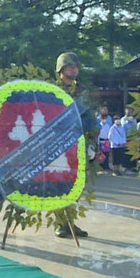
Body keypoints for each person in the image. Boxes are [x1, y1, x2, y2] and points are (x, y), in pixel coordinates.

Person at [53, 51, 95, 239]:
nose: (73, 70)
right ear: (61, 69)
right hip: (58, 146)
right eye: (70, 67)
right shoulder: (53, 90)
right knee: (58, 184)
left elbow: (90, 118)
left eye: (75, 67)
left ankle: (70, 221)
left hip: (78, 144)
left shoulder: (83, 91)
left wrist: (92, 142)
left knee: (75, 185)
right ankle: (60, 222)